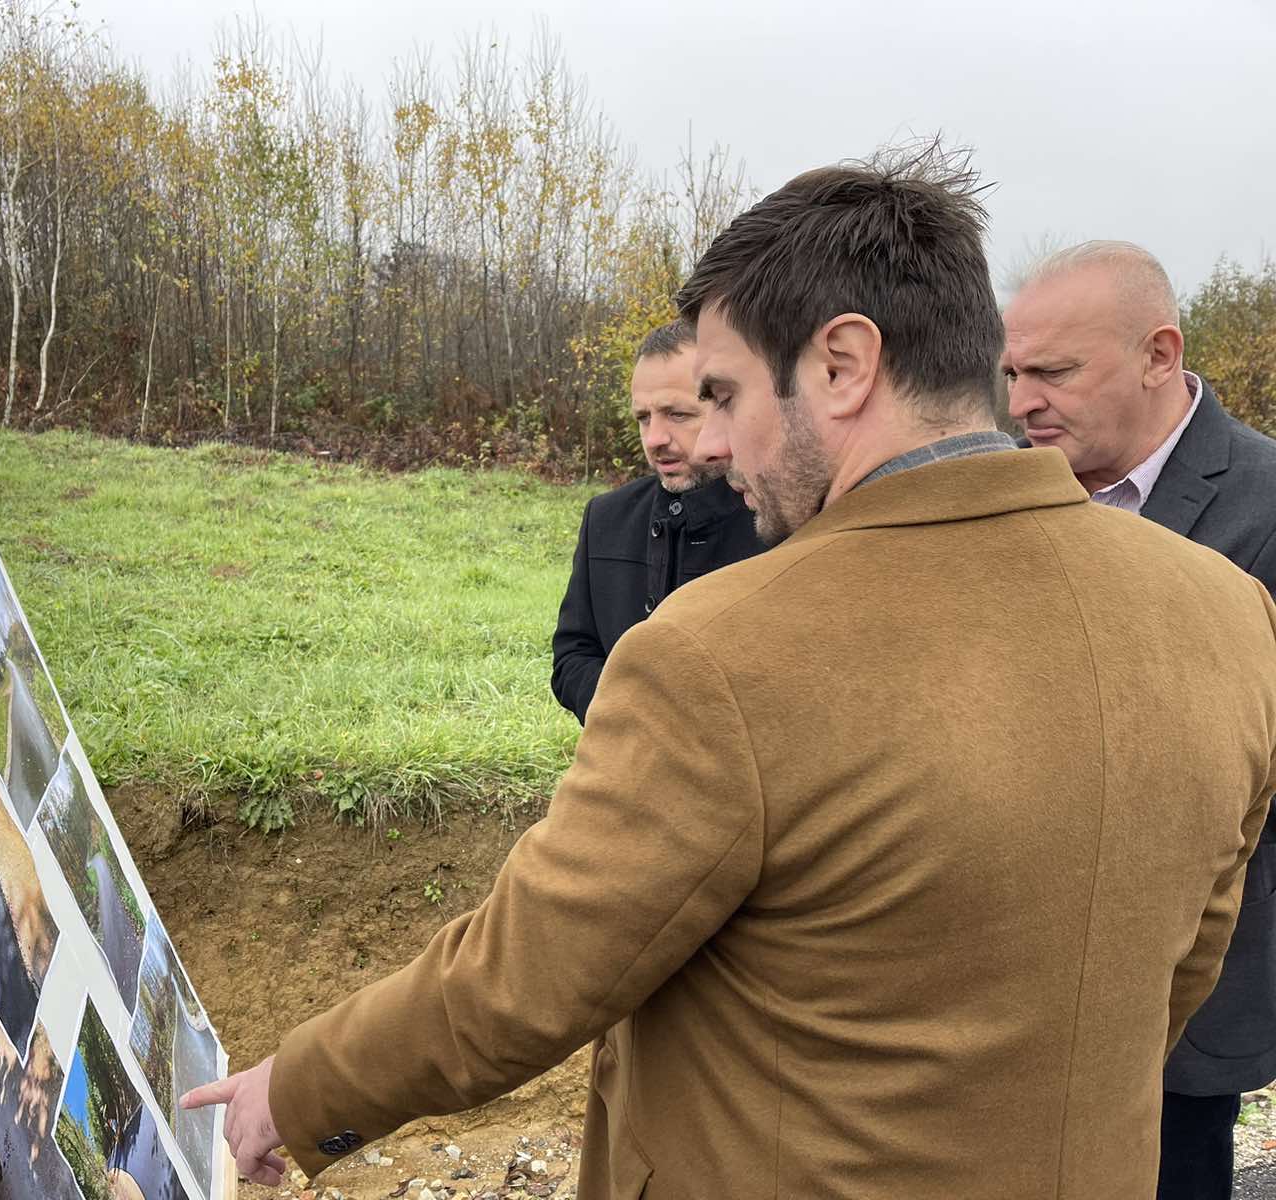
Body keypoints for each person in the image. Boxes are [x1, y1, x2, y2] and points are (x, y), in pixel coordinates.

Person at [181, 150, 1276, 1199]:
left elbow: (525, 979)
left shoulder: (720, 653)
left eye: (725, 394)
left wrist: (295, 1091)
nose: (708, 446)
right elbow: (1180, 972)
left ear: (842, 365)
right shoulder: (1226, 611)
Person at [1002, 240, 1276, 1200]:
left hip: (1183, 989)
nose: (1021, 402)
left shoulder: (1267, 503)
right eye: (1011, 374)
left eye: (1053, 372)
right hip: (1008, 974)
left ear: (1160, 354)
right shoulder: (1005, 491)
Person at [550, 319, 765, 723]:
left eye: (677, 414)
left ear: (726, 406)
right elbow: (572, 656)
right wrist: (632, 715)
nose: (654, 438)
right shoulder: (606, 518)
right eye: (644, 417)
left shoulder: (778, 523)